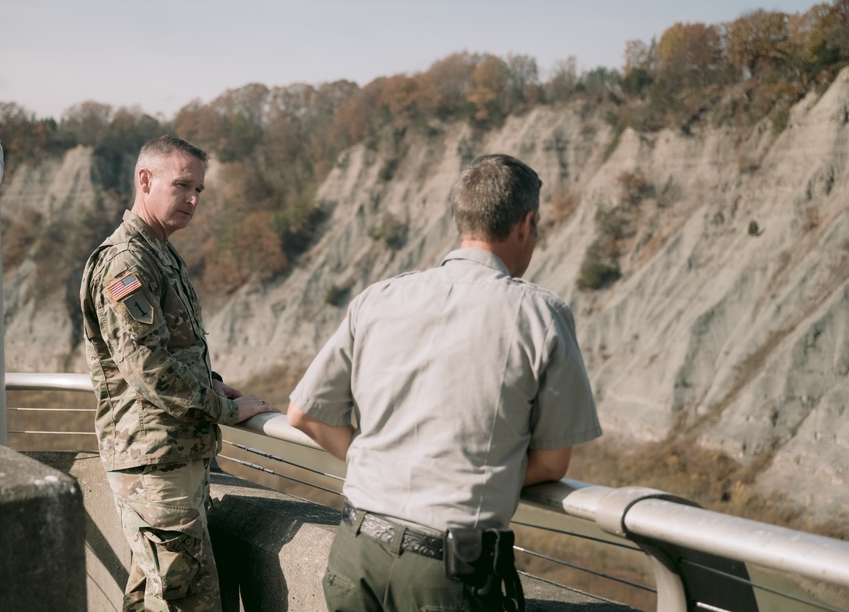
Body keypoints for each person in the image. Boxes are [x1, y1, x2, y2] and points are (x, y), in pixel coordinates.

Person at [288, 153, 602, 612]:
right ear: (525, 223)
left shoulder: (380, 298)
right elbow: (553, 463)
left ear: (463, 219)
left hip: (356, 553)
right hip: (448, 574)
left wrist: (377, 461)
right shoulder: (540, 315)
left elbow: (305, 414)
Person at [80, 135, 278, 612]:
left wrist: (210, 381)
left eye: (199, 190)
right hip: (155, 463)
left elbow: (172, 351)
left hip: (169, 457)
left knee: (153, 593)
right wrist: (228, 409)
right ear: (144, 180)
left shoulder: (159, 251)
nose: (192, 199)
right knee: (187, 600)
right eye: (182, 185)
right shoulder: (127, 262)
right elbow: (149, 371)